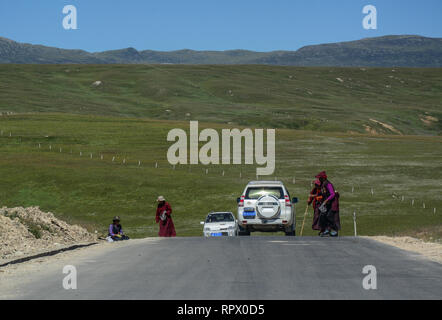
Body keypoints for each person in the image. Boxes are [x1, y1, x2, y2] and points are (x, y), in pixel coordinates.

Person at [315, 171, 341, 237]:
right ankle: (326, 229)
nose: (319, 179)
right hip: (326, 203)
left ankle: (335, 230)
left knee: (330, 216)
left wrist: (326, 200)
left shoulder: (328, 184)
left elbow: (332, 194)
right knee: (322, 215)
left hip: (332, 203)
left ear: (323, 178)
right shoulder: (323, 184)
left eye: (319, 178)